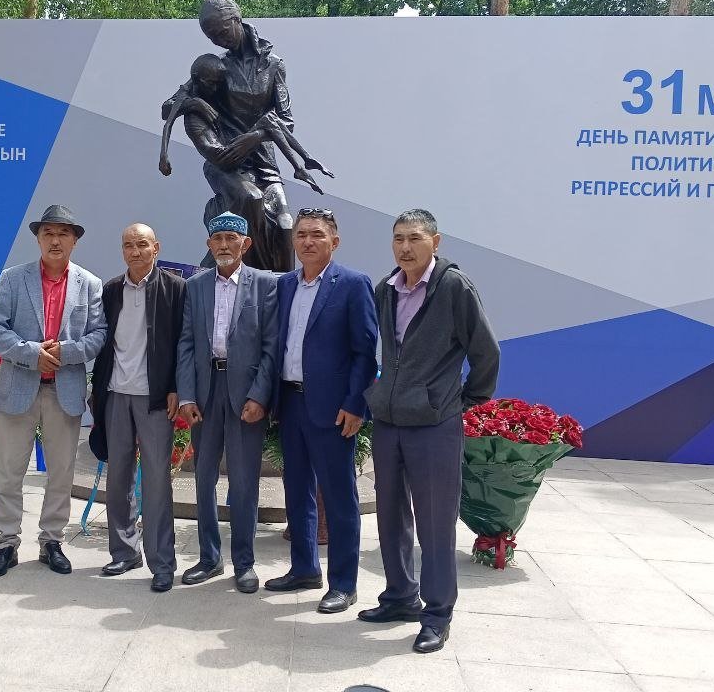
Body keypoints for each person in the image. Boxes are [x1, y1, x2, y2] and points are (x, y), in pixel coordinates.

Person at [359, 209, 500, 654]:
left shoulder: (454, 287)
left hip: (435, 425)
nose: (405, 247)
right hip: (389, 421)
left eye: (415, 238)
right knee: (390, 515)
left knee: (435, 522)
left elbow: (486, 352)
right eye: (398, 238)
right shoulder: (385, 288)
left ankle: (437, 614)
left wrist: (461, 402)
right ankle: (400, 597)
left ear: (435, 242)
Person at [0, 204, 107, 578]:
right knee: (9, 471)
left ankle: (51, 541)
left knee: (61, 473)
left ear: (75, 241)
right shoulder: (13, 278)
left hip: (63, 391)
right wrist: (31, 354)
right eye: (48, 233)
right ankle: (6, 544)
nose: (55, 241)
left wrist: (65, 352)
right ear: (38, 238)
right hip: (19, 386)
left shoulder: (90, 283)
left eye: (63, 234)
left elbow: (99, 335)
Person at [264, 208, 378, 614]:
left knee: (339, 496)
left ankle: (344, 584)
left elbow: (365, 352)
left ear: (335, 241)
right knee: (297, 491)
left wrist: (355, 404)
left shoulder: (352, 284)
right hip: (291, 402)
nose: (307, 241)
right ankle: (304, 568)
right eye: (301, 235)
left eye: (316, 234)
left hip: (333, 409)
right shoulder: (285, 285)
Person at [175, 211, 279, 594]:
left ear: (245, 244)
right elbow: (186, 343)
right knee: (203, 477)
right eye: (217, 238)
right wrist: (187, 395)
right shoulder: (195, 285)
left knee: (244, 480)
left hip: (246, 394)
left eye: (230, 239)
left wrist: (260, 395)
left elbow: (271, 347)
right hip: (206, 391)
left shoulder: (265, 285)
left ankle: (244, 563)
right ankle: (209, 557)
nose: (223, 245)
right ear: (208, 244)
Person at [159, 0, 297, 272]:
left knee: (285, 225)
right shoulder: (216, 66)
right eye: (212, 37)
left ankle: (282, 289)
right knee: (250, 200)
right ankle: (248, 279)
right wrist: (194, 102)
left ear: (236, 19)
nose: (219, 41)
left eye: (221, 32)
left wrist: (254, 138)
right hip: (226, 160)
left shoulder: (273, 65)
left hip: (263, 160)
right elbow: (167, 108)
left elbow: (286, 122)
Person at [89, 223, 186, 592]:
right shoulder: (111, 289)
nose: (135, 251)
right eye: (128, 245)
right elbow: (102, 342)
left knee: (157, 480)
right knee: (118, 477)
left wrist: (176, 387)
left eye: (142, 244)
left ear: (156, 248)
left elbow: (183, 343)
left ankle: (162, 562)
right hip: (115, 393)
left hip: (155, 397)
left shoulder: (175, 288)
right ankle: (124, 551)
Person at [160, 53, 332, 195]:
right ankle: (301, 165)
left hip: (228, 148)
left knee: (271, 119)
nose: (215, 89)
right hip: (224, 157)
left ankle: (304, 162)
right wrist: (164, 157)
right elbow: (167, 122)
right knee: (269, 120)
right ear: (196, 79)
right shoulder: (184, 97)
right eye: (211, 83)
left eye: (218, 84)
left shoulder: (210, 92)